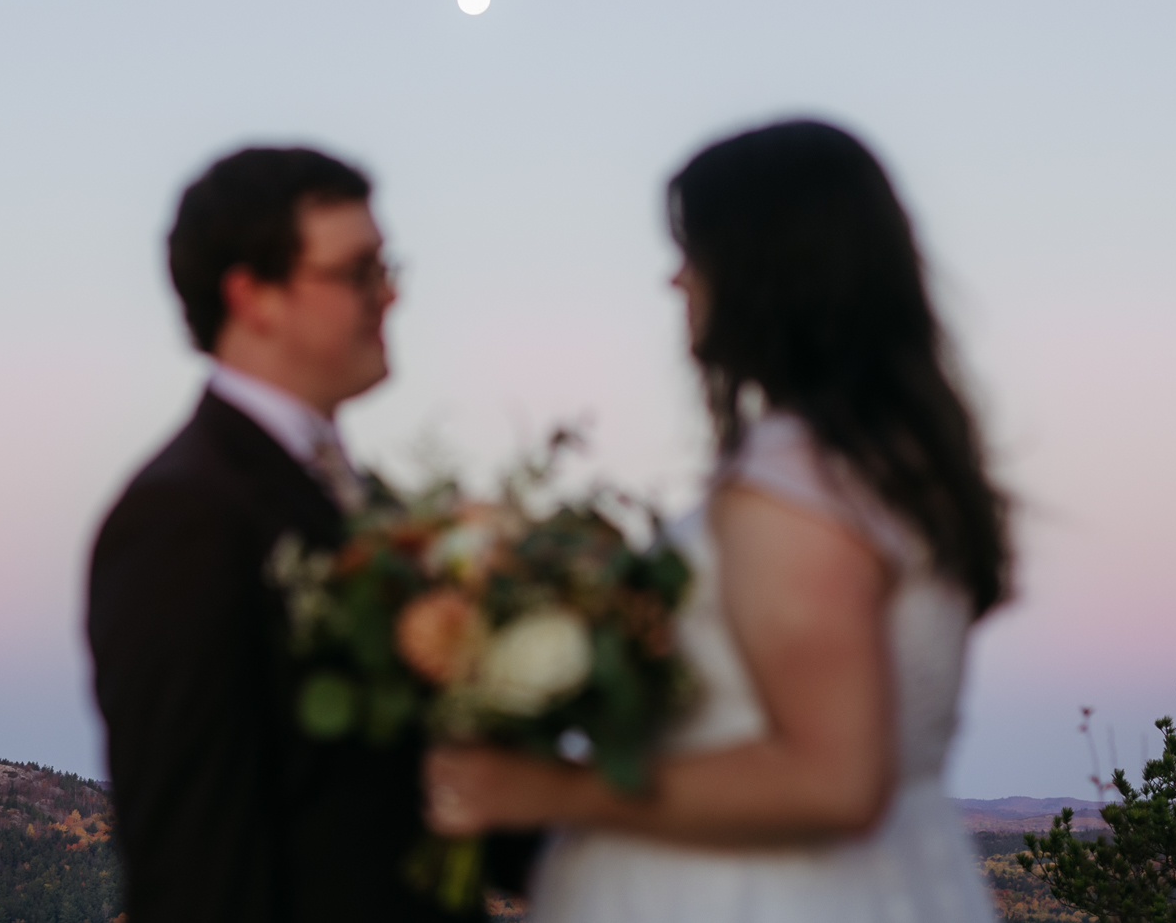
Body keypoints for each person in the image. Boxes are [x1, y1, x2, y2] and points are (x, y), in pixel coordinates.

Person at [423, 119, 1010, 922]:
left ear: (764, 269)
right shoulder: (884, 466)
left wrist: (549, 789)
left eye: (694, 252)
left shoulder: (797, 485)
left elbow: (833, 780)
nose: (678, 282)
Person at [87, 145, 443, 923]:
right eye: (360, 272)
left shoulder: (369, 501)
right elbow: (194, 863)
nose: (391, 296)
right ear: (254, 297)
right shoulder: (180, 518)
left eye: (388, 269)